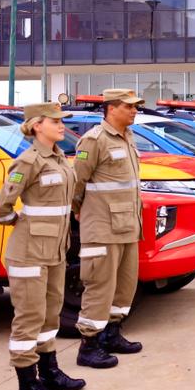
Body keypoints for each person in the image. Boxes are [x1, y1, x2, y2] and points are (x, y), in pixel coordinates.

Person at [0, 102, 87, 390]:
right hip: (29, 252)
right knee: (29, 317)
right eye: (55, 121)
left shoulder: (59, 159)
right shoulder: (28, 162)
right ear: (36, 126)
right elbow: (0, 210)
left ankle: (50, 371)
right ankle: (27, 385)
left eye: (62, 121)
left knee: (50, 314)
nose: (61, 125)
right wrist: (23, 223)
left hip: (55, 251)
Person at [72, 88, 144, 369]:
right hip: (102, 226)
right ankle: (89, 345)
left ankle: (113, 334)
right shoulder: (93, 140)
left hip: (127, 225)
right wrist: (80, 211)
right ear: (111, 108)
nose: (134, 111)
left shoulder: (128, 137)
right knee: (100, 287)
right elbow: (76, 184)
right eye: (129, 106)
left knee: (124, 287)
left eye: (136, 107)